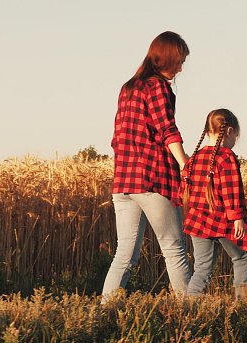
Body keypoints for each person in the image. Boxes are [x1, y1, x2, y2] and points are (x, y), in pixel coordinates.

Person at [103, 31, 192, 299]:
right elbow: (167, 129)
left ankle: (104, 312)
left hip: (124, 182)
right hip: (153, 180)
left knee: (124, 254)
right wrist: (184, 164)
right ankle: (191, 311)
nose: (180, 68)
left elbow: (117, 136)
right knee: (174, 249)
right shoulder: (157, 87)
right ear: (167, 58)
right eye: (179, 61)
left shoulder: (128, 88)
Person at [182, 109, 247, 299]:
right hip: (223, 220)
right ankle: (243, 304)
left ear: (207, 132)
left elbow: (184, 190)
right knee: (241, 257)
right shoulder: (226, 157)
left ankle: (189, 307)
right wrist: (237, 218)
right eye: (235, 136)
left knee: (202, 268)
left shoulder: (194, 158)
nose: (234, 140)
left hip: (197, 221)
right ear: (229, 131)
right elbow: (231, 191)